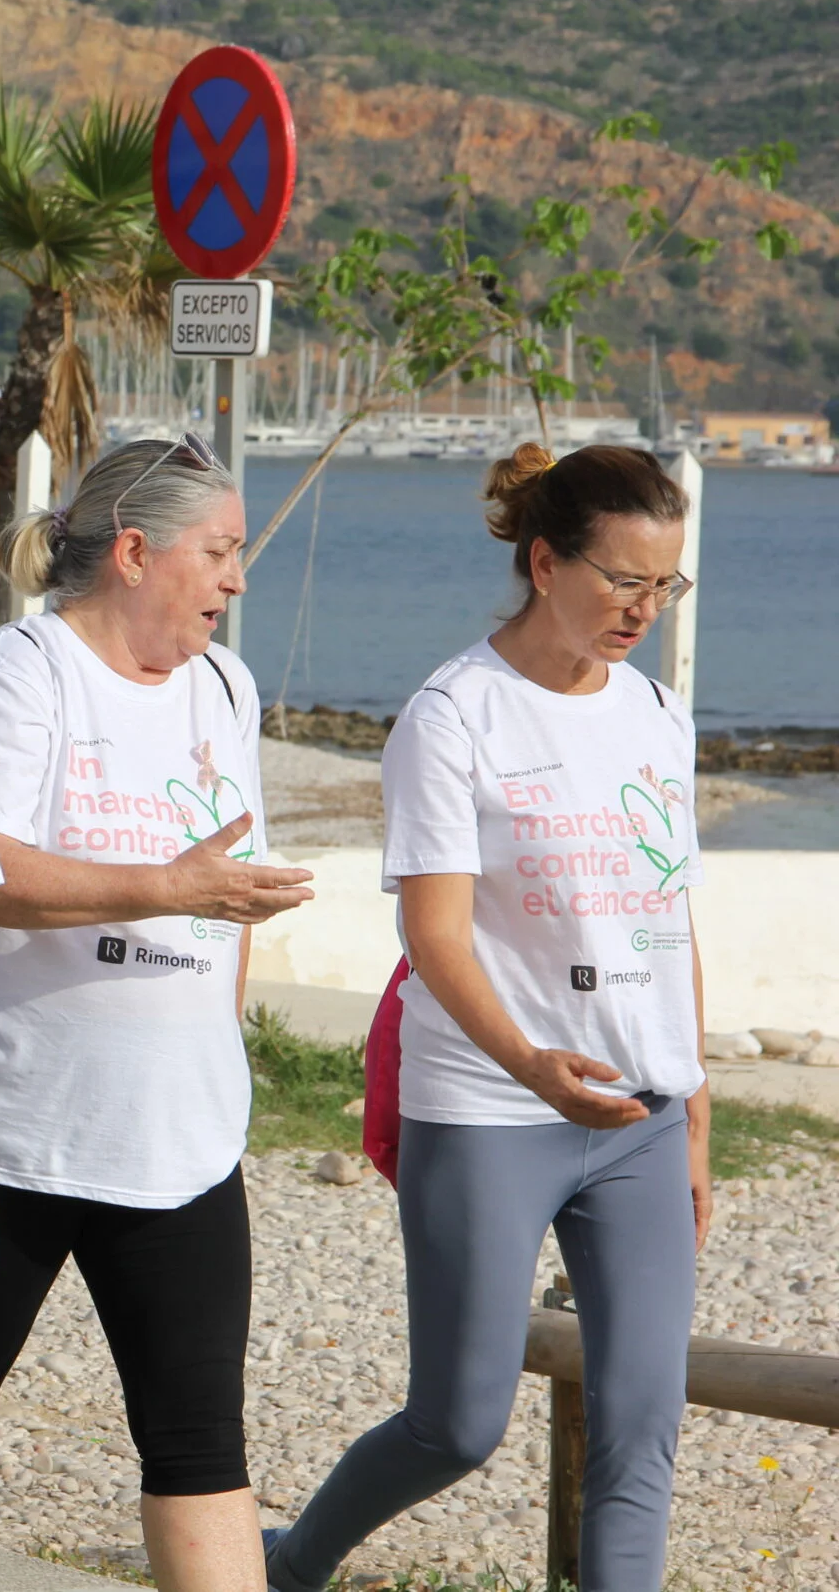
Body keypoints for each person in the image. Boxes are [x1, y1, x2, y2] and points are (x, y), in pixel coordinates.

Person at [264, 444, 709, 1592]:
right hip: (485, 1106)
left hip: (643, 1120)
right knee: (457, 1424)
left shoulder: (658, 714)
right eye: (622, 582)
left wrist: (693, 1107)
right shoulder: (454, 713)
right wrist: (528, 1066)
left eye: (665, 588)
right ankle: (287, 1565)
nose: (643, 612)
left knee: (640, 1435)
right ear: (545, 560)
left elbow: (669, 920)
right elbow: (435, 937)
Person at [0, 434, 316, 1592]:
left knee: (198, 1439)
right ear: (135, 554)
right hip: (20, 1138)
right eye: (220, 552)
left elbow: (227, 885)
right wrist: (165, 890)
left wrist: (216, 1040)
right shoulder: (19, 669)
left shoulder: (225, 686)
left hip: (181, 1140)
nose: (237, 579)